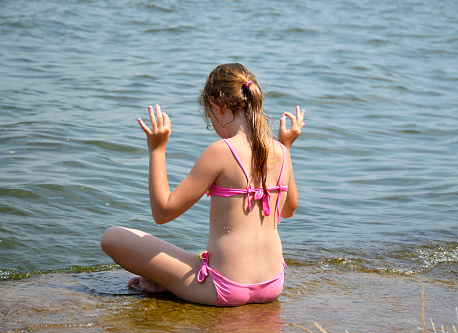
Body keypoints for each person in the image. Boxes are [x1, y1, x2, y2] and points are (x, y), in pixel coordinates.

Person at [101, 63, 305, 306]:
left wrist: (157, 148)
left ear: (218, 108)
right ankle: (168, 278)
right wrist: (286, 146)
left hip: (226, 288)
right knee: (200, 256)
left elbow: (162, 213)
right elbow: (288, 210)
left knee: (111, 237)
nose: (213, 127)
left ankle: (167, 280)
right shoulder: (281, 150)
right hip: (273, 284)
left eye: (210, 118)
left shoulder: (220, 151)